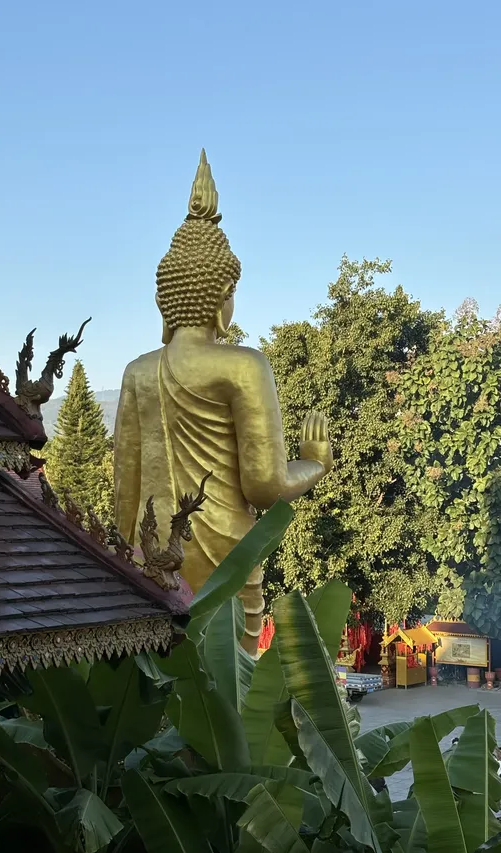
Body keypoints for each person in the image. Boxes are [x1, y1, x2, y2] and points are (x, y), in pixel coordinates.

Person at [114, 151, 333, 655]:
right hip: (227, 558)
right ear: (224, 294)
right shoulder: (244, 366)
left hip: (150, 562)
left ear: (163, 301)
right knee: (231, 693)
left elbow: (124, 496)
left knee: (162, 687)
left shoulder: (137, 373)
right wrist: (315, 464)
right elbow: (265, 485)